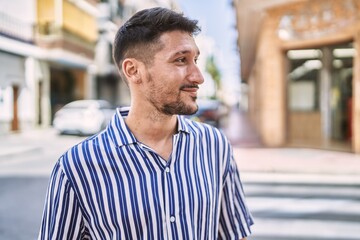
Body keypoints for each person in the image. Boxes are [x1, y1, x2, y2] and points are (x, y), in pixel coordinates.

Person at [38, 7, 254, 239]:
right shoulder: (76, 167)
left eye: (196, 60)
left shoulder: (214, 145)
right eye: (181, 60)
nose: (198, 76)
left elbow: (234, 234)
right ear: (133, 71)